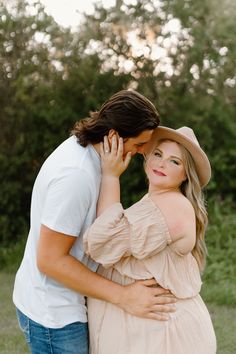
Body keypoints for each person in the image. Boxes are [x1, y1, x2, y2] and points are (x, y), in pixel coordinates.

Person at [13, 90, 176, 354]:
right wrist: (124, 296)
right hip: (55, 316)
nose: (142, 152)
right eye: (138, 145)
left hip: (69, 302)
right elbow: (50, 259)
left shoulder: (92, 157)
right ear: (113, 136)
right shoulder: (76, 176)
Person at [83, 126, 217, 354]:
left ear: (186, 174)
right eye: (158, 154)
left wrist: (110, 176)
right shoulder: (152, 202)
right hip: (144, 333)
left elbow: (102, 243)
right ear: (147, 157)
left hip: (164, 336)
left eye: (175, 161)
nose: (162, 163)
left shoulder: (173, 205)